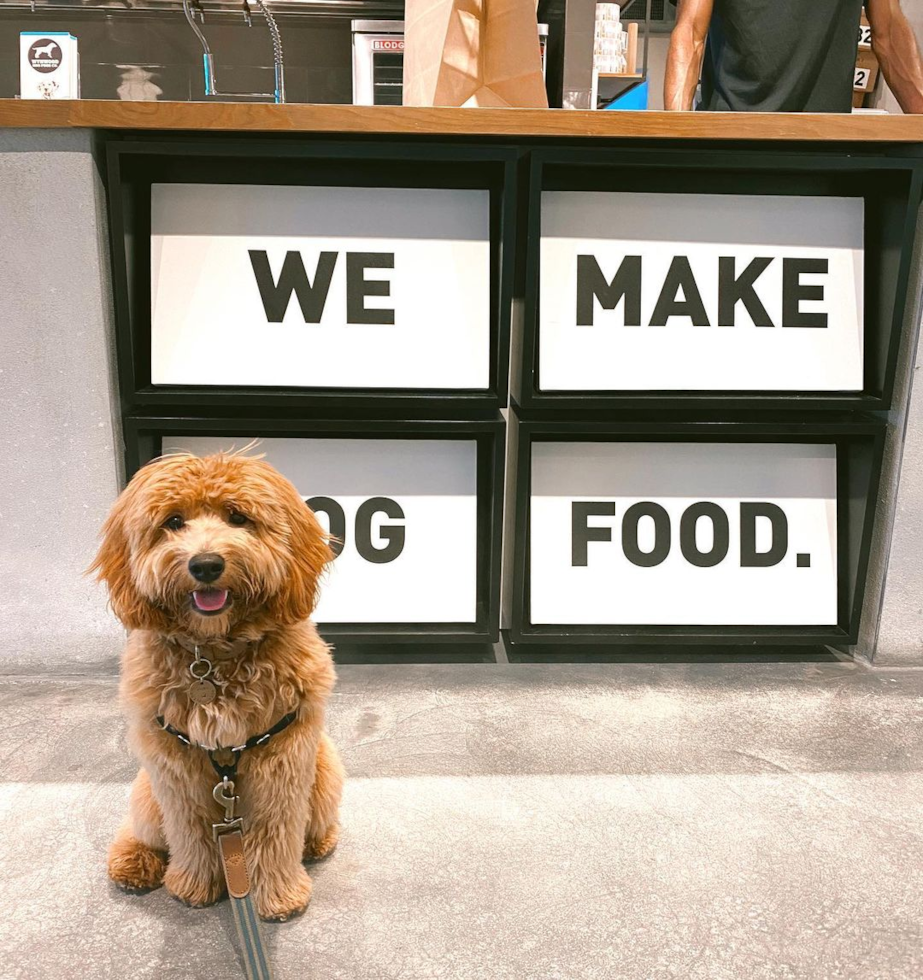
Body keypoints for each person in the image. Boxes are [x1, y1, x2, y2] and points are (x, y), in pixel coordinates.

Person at [664, 0, 923, 113]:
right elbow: (690, 33)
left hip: (825, 146)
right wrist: (675, 137)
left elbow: (889, 33)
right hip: (733, 137)